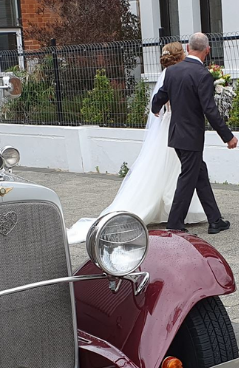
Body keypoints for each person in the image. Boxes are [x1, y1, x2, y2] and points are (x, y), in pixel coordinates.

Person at [68, 43, 204, 242]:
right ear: (179, 56)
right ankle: (174, 215)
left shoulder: (168, 73)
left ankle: (187, 212)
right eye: (183, 52)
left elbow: (156, 103)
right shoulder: (175, 74)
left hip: (170, 124)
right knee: (177, 170)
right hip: (177, 127)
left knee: (180, 170)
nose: (186, 54)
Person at [151, 32, 238, 234]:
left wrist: (155, 108)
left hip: (176, 135)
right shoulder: (202, 75)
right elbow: (210, 110)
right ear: (207, 51)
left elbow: (160, 95)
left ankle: (215, 220)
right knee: (187, 179)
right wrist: (228, 136)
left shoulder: (172, 72)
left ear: (188, 48)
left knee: (199, 175)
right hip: (191, 137)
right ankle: (174, 224)